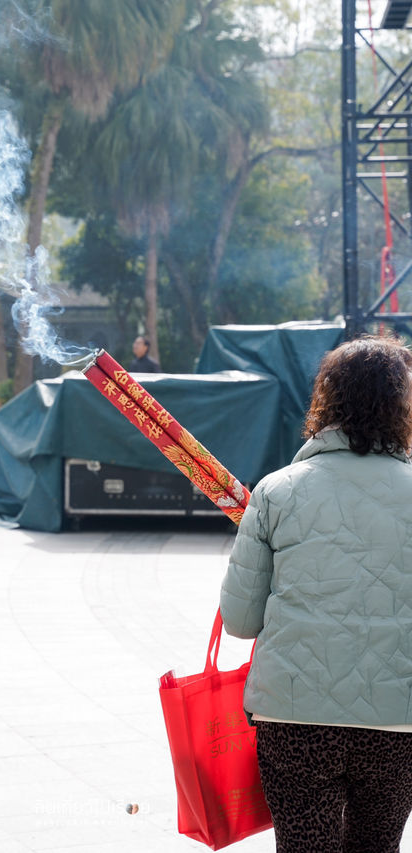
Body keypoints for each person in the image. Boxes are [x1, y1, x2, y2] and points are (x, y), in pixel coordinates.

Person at [219, 335, 412, 853]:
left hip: (294, 716)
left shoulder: (276, 490)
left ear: (326, 400)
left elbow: (239, 620)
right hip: (398, 717)